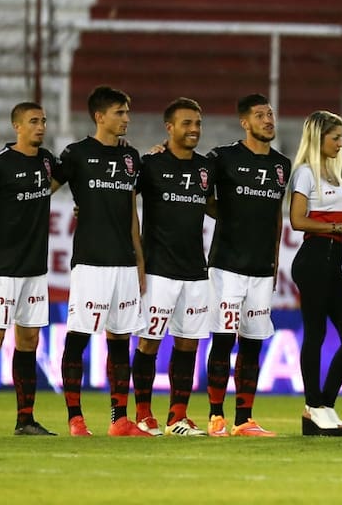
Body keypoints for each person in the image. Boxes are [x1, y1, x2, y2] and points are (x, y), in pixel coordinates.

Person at [52, 85, 150, 437]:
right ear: (99, 116)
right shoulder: (76, 154)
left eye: (127, 112)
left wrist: (139, 261)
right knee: (78, 337)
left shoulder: (131, 157)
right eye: (120, 112)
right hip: (91, 261)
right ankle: (75, 418)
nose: (127, 119)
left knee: (120, 340)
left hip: (124, 261)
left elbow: (131, 212)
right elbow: (42, 190)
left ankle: (119, 419)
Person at [204, 93, 291, 437]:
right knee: (224, 339)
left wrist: (275, 260)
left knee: (253, 342)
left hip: (261, 268)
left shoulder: (281, 164)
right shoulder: (223, 158)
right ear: (245, 123)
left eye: (270, 114)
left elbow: (276, 215)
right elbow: (199, 192)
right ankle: (215, 416)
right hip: (226, 266)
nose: (268, 120)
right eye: (260, 115)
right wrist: (227, 214)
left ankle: (244, 419)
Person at [288, 110, 342, 437]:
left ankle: (324, 404)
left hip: (330, 262)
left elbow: (333, 214)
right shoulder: (305, 173)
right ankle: (314, 406)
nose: (341, 143)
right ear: (318, 138)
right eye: (335, 137)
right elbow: (298, 220)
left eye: (341, 137)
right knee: (316, 334)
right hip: (313, 260)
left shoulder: (333, 173)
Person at [129, 98, 212, 437]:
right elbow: (123, 199)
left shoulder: (206, 168)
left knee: (188, 343)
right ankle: (143, 415)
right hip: (158, 269)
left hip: (195, 269)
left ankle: (178, 417)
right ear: (169, 127)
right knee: (149, 342)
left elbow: (215, 206)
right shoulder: (150, 163)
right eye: (186, 123)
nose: (194, 129)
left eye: (197, 123)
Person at [0, 102, 59, 436]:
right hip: (2, 265)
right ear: (17, 126)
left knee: (29, 339)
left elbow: (69, 175)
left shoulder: (46, 160)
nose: (40, 126)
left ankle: (25, 420)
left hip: (34, 267)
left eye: (43, 121)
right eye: (33, 121)